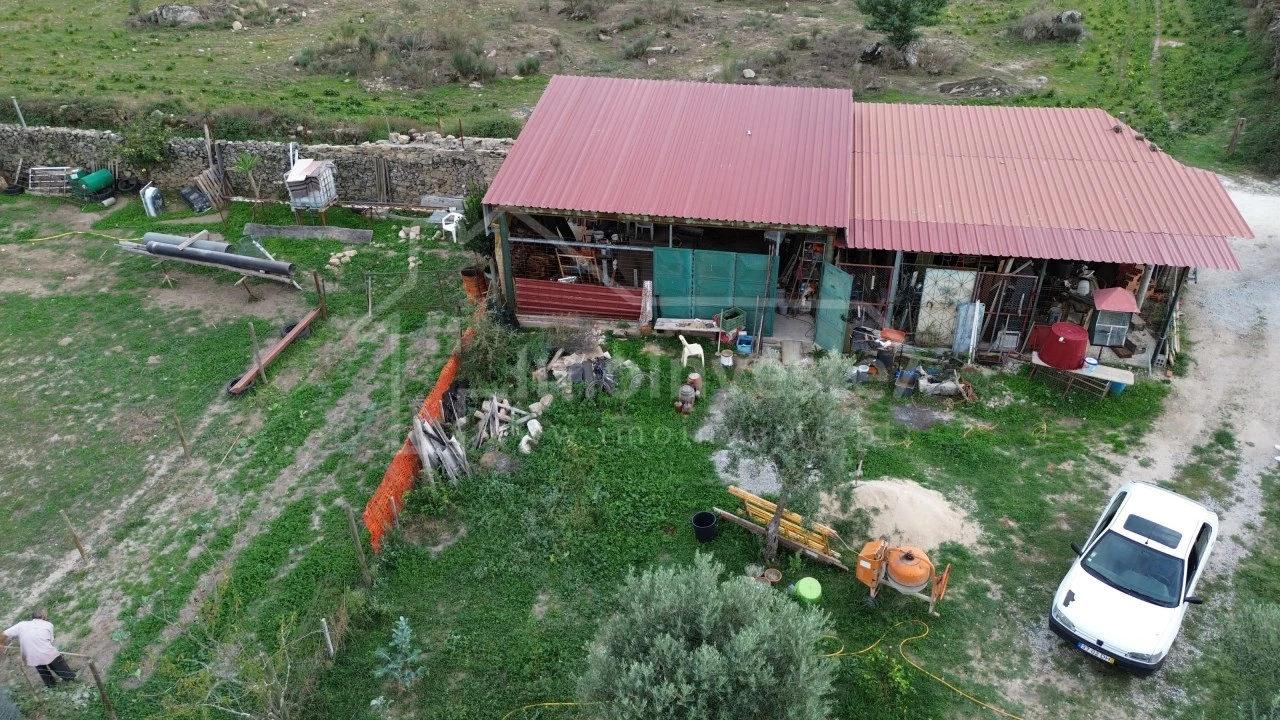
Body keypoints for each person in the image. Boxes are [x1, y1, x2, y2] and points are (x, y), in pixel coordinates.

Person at [1, 609, 77, 687]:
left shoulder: (21, 625)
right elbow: (50, 641)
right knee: (55, 660)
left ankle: (51, 684)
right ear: (43, 617)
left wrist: (0, 643)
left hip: (30, 656)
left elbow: (3, 634)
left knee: (41, 667)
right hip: (46, 653)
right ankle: (69, 678)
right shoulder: (48, 625)